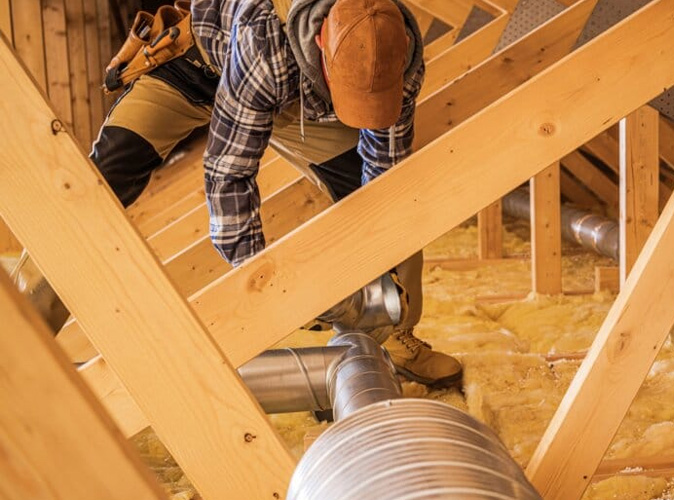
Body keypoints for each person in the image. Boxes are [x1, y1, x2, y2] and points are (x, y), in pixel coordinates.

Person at [14, 0, 463, 387]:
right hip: (196, 70)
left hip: (295, 99)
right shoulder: (266, 43)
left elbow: (386, 175)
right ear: (321, 48)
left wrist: (375, 283)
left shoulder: (397, 52)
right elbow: (229, 173)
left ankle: (394, 333)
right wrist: (267, 284)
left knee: (387, 194)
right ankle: (19, 342)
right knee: (98, 182)